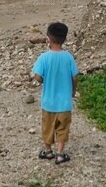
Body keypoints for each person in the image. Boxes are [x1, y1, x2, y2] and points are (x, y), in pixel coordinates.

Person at [31, 22, 78, 164]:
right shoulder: (68, 57)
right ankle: (60, 154)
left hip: (48, 102)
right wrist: (73, 91)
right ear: (64, 39)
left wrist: (43, 80)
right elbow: (75, 77)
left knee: (47, 127)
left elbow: (37, 77)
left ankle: (48, 151)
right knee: (63, 128)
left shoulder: (43, 58)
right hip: (64, 103)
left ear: (48, 39)